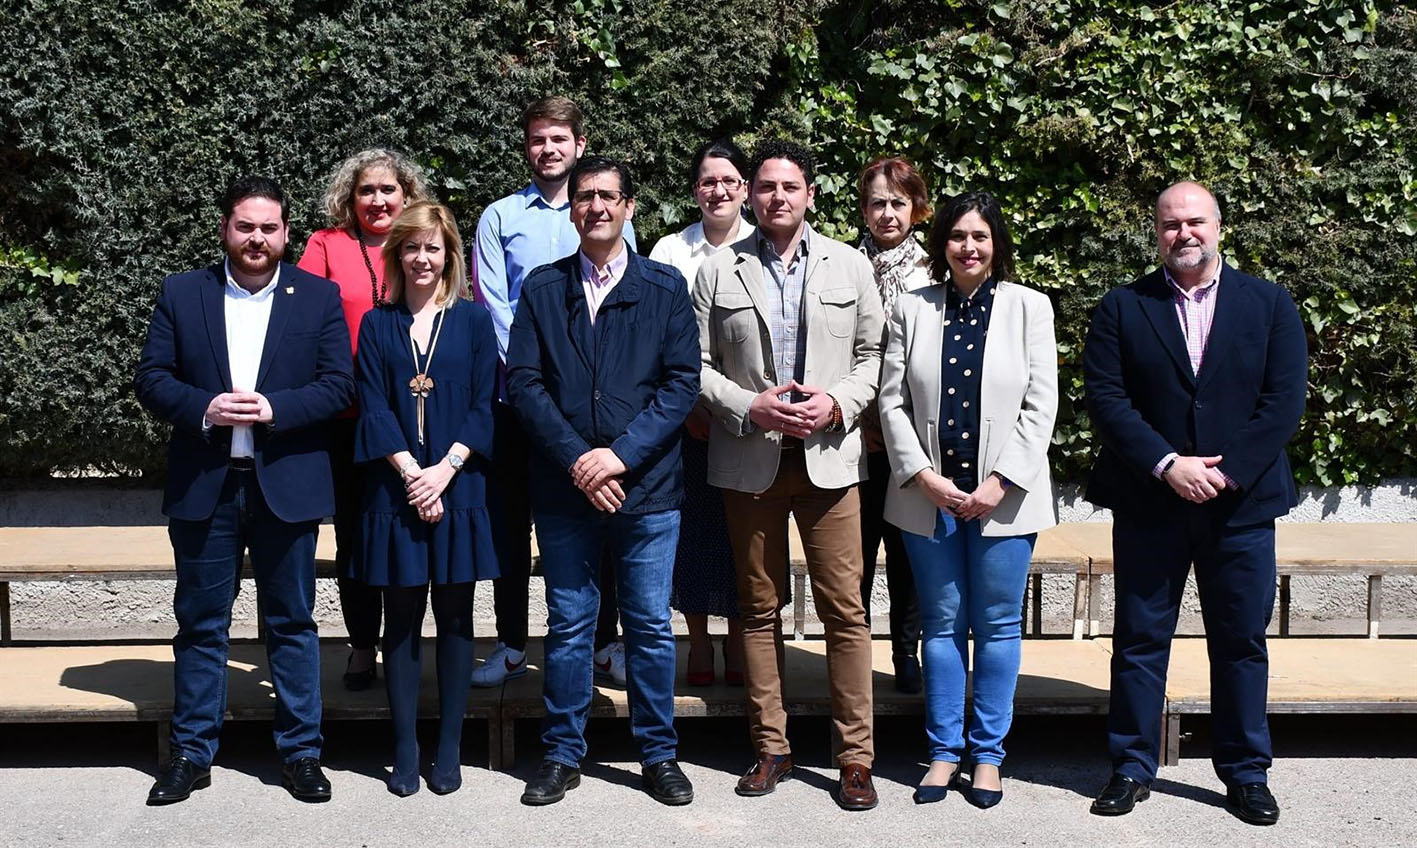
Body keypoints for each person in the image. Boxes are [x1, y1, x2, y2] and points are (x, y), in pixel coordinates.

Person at [1083, 181, 1307, 825]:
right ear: (1156, 232)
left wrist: (1226, 472)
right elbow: (1108, 399)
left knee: (1240, 640)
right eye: (1170, 223)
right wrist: (1167, 465)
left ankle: (1244, 771)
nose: (1184, 233)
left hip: (1240, 506)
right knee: (1139, 638)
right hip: (1152, 499)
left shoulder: (1268, 304)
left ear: (1219, 226)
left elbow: (1283, 400)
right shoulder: (1123, 307)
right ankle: (1130, 765)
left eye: (1195, 222)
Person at [134, 176, 354, 804]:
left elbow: (340, 384)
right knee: (202, 624)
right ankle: (192, 753)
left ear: (287, 234)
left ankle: (302, 754)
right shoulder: (183, 293)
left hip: (285, 485)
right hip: (207, 484)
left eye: (269, 228)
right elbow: (152, 377)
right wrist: (205, 406)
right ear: (226, 229)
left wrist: (273, 409)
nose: (257, 239)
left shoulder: (316, 297)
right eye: (245, 227)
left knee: (292, 623)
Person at [692, 139, 885, 811]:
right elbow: (694, 364)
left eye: (789, 186)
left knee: (844, 611)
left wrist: (838, 403)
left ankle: (854, 760)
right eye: (766, 185)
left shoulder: (849, 265)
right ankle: (770, 749)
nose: (777, 196)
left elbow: (872, 354)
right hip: (749, 460)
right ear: (749, 194)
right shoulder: (719, 271)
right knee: (757, 609)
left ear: (809, 194)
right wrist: (749, 404)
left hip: (829, 461)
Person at [507, 156, 700, 807]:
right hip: (565, 492)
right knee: (568, 624)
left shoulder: (664, 287)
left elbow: (679, 387)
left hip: (646, 491)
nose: (595, 206)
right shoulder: (541, 288)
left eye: (607, 196)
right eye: (584, 196)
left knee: (646, 624)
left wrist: (615, 457)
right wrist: (577, 460)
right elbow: (525, 386)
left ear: (628, 207)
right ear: (572, 208)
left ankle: (658, 755)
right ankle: (561, 755)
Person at [878, 191, 1059, 808]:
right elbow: (892, 400)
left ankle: (987, 757)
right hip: (929, 497)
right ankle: (942, 752)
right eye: (957, 236)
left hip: (1002, 501)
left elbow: (1042, 405)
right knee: (942, 626)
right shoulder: (912, 308)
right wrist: (921, 475)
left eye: (980, 236)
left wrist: (999, 484)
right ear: (943, 244)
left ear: (996, 244)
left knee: (999, 626)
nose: (968, 247)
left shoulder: (1029, 308)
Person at [474, 96, 637, 688]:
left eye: (559, 139)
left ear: (579, 146)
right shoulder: (498, 218)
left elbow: (625, 303)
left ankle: (602, 645)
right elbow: (495, 306)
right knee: (511, 529)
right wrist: (537, 377)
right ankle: (514, 645)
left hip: (594, 407)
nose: (549, 149)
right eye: (538, 139)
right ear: (528, 148)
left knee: (602, 520)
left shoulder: (608, 210)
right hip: (521, 402)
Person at [353, 201, 498, 796]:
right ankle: (406, 746)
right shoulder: (375, 323)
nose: (421, 258)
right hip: (395, 490)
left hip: (459, 488)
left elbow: (484, 404)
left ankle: (450, 747)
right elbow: (373, 403)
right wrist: (415, 474)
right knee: (403, 620)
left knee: (458, 618)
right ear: (396, 254)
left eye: (432, 248)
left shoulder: (472, 321)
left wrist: (444, 471)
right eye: (411, 247)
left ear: (449, 256)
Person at [297, 148, 431, 691]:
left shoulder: (419, 245)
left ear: (407, 196)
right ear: (349, 199)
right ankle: (360, 644)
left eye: (388, 190)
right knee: (355, 535)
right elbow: (303, 317)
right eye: (366, 191)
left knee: (411, 530)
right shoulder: (325, 246)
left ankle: (407, 644)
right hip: (347, 417)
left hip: (414, 414)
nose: (377, 200)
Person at [648, 137, 756, 686]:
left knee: (744, 532)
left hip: (750, 420)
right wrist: (691, 408)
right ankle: (696, 642)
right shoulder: (670, 250)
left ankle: (740, 641)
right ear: (695, 191)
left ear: (745, 190)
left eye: (728, 181)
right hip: (685, 417)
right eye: (707, 181)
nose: (718, 190)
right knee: (691, 531)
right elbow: (661, 338)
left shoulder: (763, 247)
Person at [855, 156, 931, 694]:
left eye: (898, 203)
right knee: (851, 558)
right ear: (863, 210)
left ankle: (907, 652)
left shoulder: (935, 272)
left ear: (917, 210)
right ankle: (853, 653)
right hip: (853, 438)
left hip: (913, 441)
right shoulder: (840, 265)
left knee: (908, 554)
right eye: (878, 202)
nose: (888, 213)